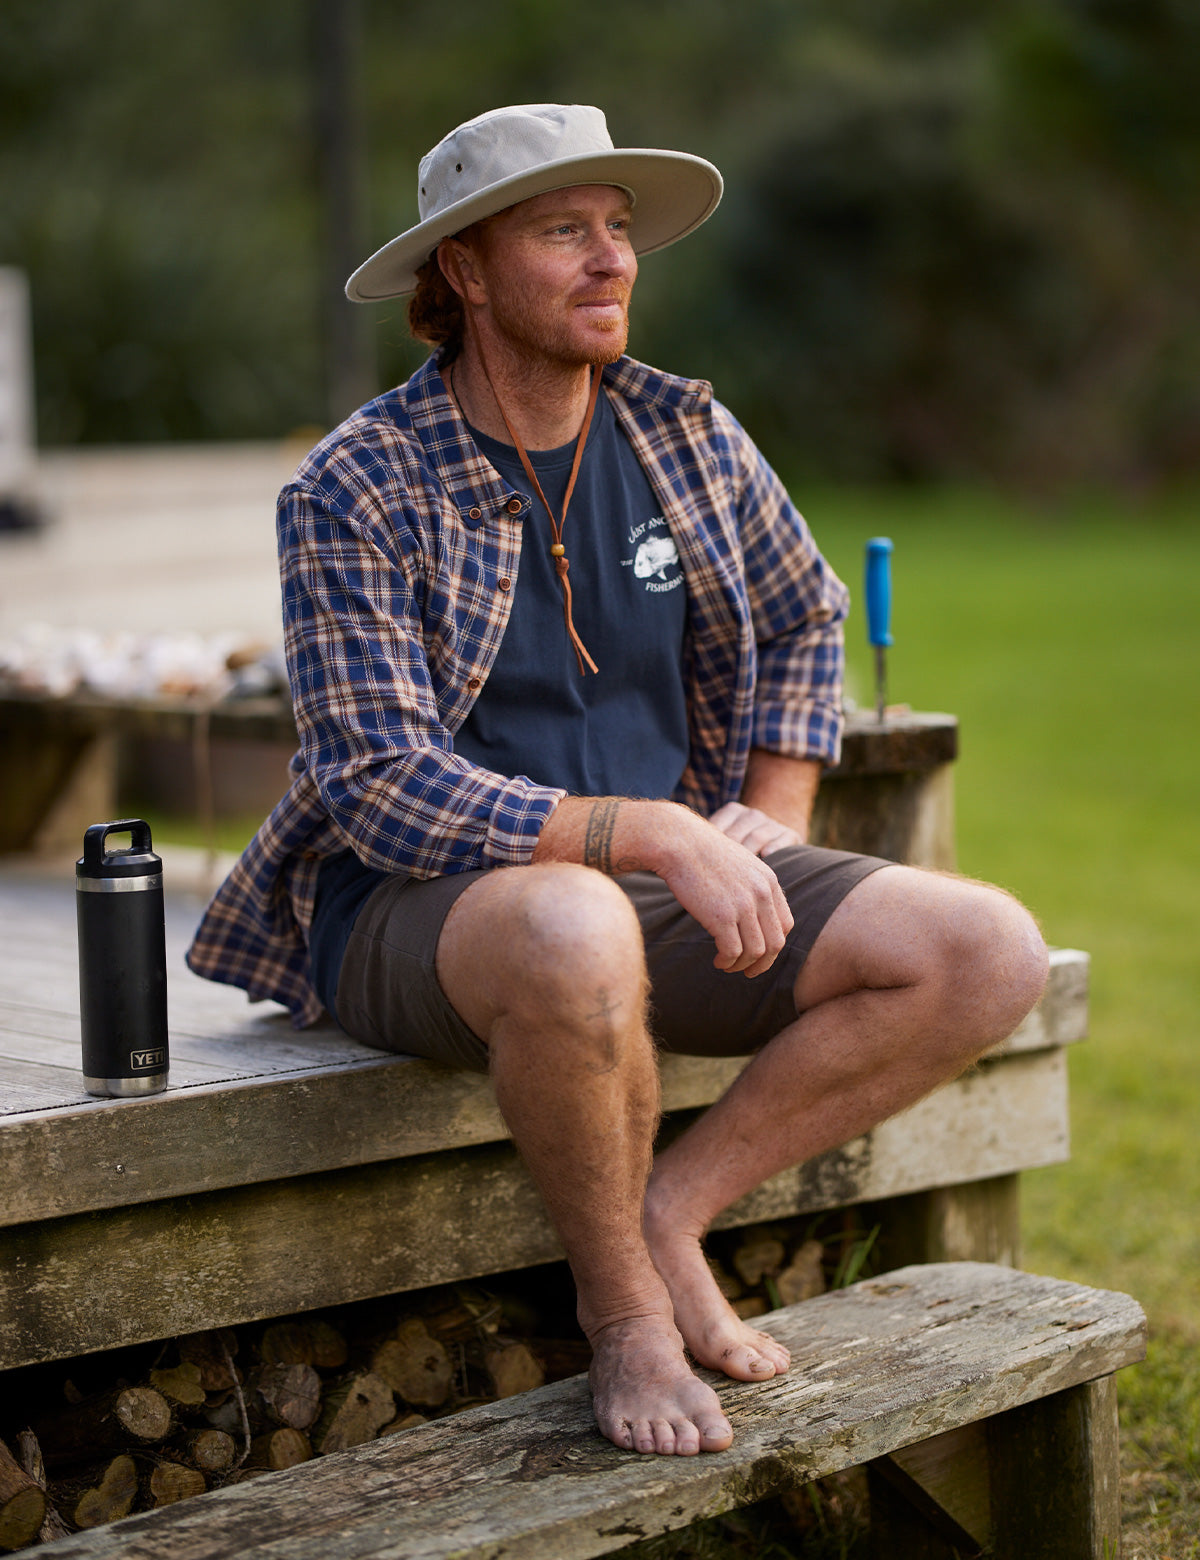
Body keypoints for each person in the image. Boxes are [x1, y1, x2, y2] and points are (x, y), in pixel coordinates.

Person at [189, 103, 1049, 1459]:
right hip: (428, 908)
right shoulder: (355, 484)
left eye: (619, 230)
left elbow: (802, 615)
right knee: (572, 919)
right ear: (465, 272)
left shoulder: (684, 434)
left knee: (985, 949)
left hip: (653, 884)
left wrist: (774, 811)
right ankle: (627, 1318)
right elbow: (373, 783)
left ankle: (673, 1210)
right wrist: (639, 831)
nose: (611, 261)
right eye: (563, 232)